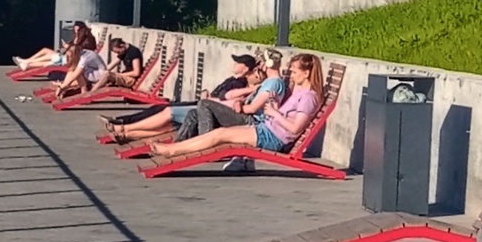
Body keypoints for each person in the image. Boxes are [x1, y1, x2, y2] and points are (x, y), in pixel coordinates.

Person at [154, 51, 327, 161]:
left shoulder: (308, 97)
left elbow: (296, 128)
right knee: (217, 133)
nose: (291, 75)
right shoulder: (299, 92)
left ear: (306, 73)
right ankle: (174, 148)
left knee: (219, 135)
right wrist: (274, 106)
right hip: (265, 129)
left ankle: (173, 151)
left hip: (272, 138)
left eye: (295, 72)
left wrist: (274, 113)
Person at [106, 49, 265, 148]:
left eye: (238, 63)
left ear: (246, 69)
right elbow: (226, 96)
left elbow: (228, 98)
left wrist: (245, 93)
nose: (234, 64)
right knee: (167, 123)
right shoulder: (241, 83)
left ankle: (125, 127)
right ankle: (126, 131)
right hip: (208, 106)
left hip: (210, 110)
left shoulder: (246, 85)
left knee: (167, 111)